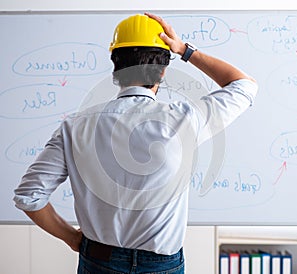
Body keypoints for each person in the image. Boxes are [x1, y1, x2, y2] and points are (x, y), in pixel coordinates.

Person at [13, 13, 258, 273]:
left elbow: (29, 196)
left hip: (98, 260)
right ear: (163, 71)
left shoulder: (75, 126)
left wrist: (72, 238)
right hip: (161, 265)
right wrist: (185, 50)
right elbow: (244, 86)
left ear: (116, 67)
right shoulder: (184, 120)